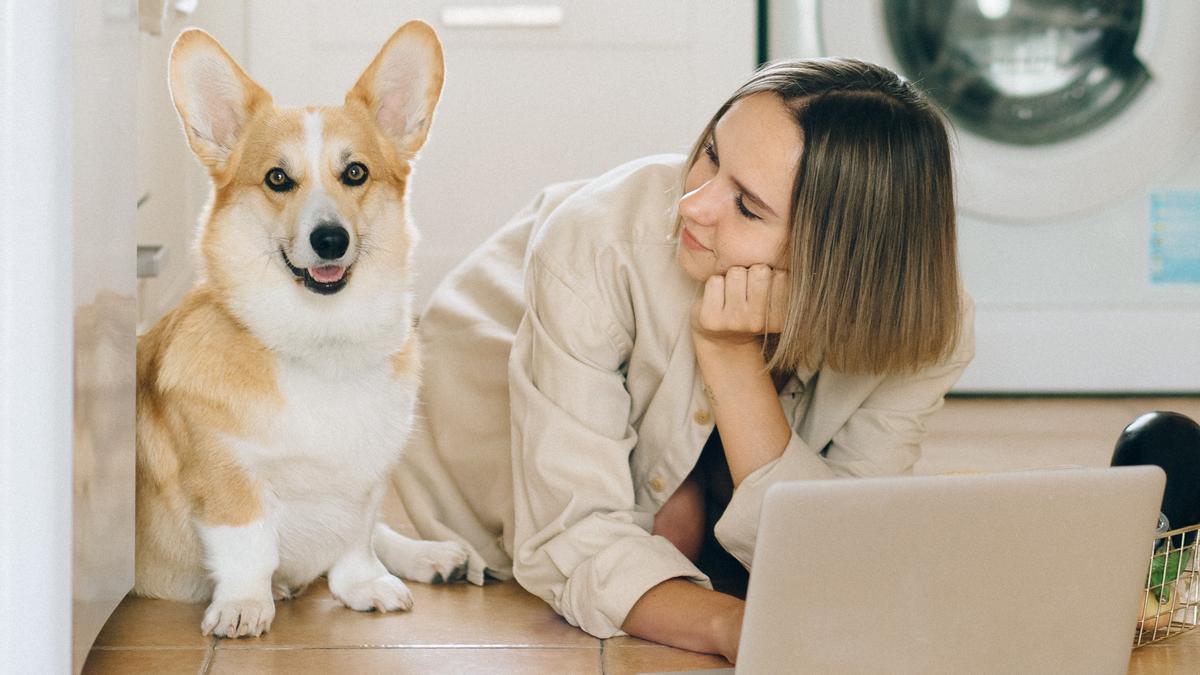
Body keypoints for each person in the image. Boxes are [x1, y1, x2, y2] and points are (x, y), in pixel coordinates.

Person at [380, 57, 975, 663]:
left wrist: (730, 356)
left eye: (747, 207)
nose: (693, 204)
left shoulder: (927, 328)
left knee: (693, 532)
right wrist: (732, 627)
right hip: (497, 349)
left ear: (841, 255)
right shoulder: (598, 239)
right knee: (666, 529)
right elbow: (572, 535)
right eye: (712, 154)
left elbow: (842, 553)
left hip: (688, 368)